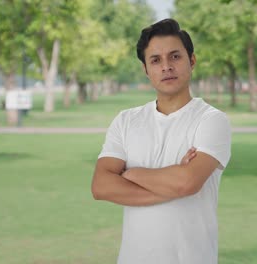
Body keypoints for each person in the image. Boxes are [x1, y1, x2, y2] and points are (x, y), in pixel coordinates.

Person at [91, 18, 231, 264]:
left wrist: (130, 173)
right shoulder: (126, 121)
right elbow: (101, 187)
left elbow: (187, 183)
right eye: (155, 60)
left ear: (192, 60)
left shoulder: (211, 121)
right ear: (146, 70)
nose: (166, 66)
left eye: (175, 57)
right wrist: (172, 183)